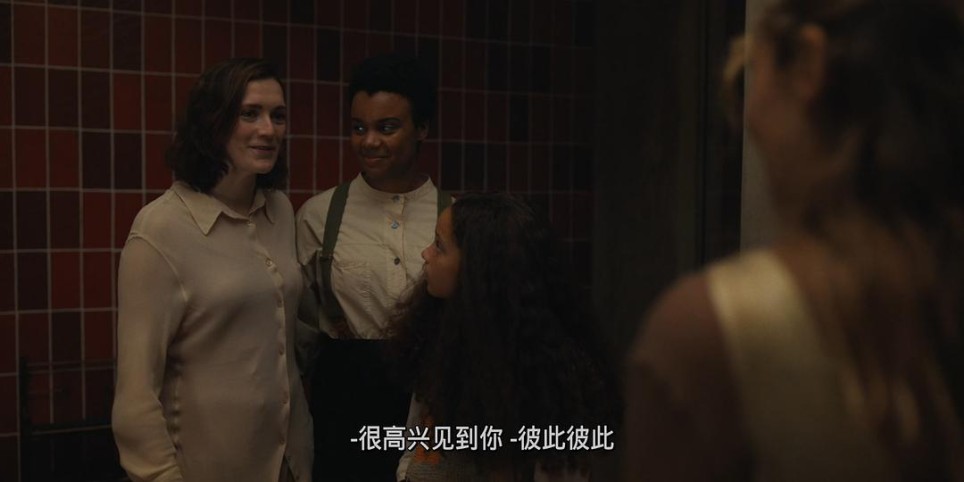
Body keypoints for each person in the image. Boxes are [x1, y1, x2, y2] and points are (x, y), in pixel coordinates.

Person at [625, 0, 964, 480]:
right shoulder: (940, 294)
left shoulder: (712, 333)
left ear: (807, 64)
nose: (747, 112)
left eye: (753, 67)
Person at [112, 58, 312, 482]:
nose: (268, 130)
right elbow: (135, 396)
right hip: (209, 467)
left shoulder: (279, 210)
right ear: (213, 123)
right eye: (249, 113)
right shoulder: (161, 229)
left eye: (278, 116)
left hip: (291, 463)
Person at [391, 193, 619, 481]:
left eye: (439, 246)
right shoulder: (440, 334)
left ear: (477, 268)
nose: (425, 254)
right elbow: (416, 442)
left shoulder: (544, 374)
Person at [296, 52, 448, 481]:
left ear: (422, 129)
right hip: (344, 406)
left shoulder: (454, 219)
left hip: (431, 402)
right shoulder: (317, 216)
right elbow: (300, 335)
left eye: (387, 127)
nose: (369, 142)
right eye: (359, 128)